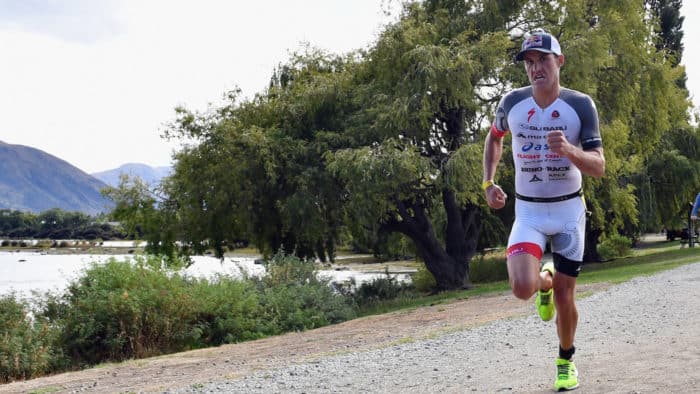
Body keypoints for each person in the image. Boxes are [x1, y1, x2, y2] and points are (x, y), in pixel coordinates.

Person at [482, 29, 605, 391]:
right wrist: (488, 183)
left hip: (568, 212)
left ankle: (566, 361)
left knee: (568, 296)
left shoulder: (580, 105)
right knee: (522, 288)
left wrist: (569, 151)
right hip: (530, 212)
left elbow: (598, 165)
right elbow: (494, 137)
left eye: (543, 60)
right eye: (529, 63)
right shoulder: (511, 103)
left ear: (560, 61)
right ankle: (543, 282)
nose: (536, 69)